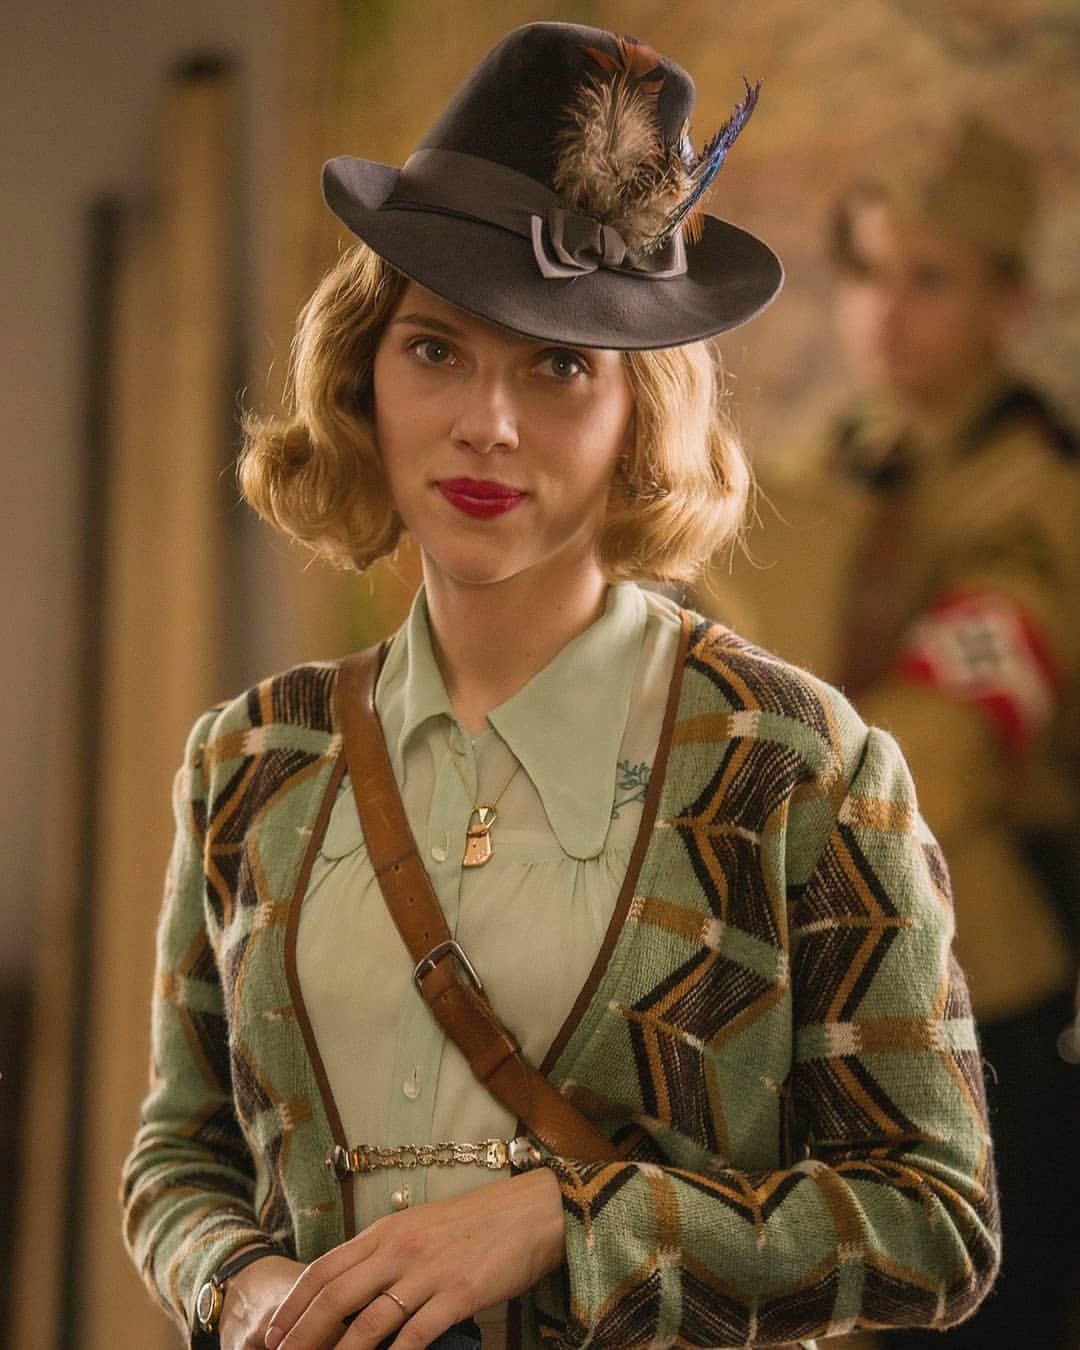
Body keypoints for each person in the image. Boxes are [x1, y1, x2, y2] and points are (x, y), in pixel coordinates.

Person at [122, 24, 1000, 1350]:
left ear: (643, 412)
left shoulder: (796, 762)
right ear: (363, 376)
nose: (488, 422)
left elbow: (935, 1220)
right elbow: (178, 1158)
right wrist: (244, 1293)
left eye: (559, 364)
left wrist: (569, 1221)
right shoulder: (250, 759)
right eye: (436, 350)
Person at [700, 114, 1080, 1349]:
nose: (885, 310)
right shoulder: (835, 466)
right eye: (865, 269)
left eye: (931, 279)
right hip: (821, 982)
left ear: (1010, 304)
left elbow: (949, 743)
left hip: (985, 993)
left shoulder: (1040, 497)